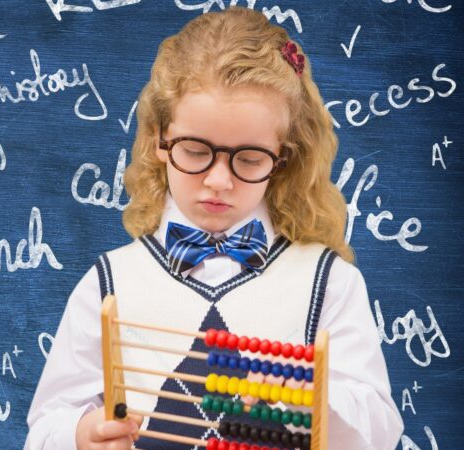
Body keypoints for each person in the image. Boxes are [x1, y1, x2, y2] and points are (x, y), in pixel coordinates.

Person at [25, 6, 404, 450]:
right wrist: (79, 436)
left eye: (248, 158)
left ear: (283, 159)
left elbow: (379, 429)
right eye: (195, 150)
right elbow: (46, 426)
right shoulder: (109, 284)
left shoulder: (329, 283)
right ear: (158, 141)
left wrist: (307, 394)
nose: (219, 181)